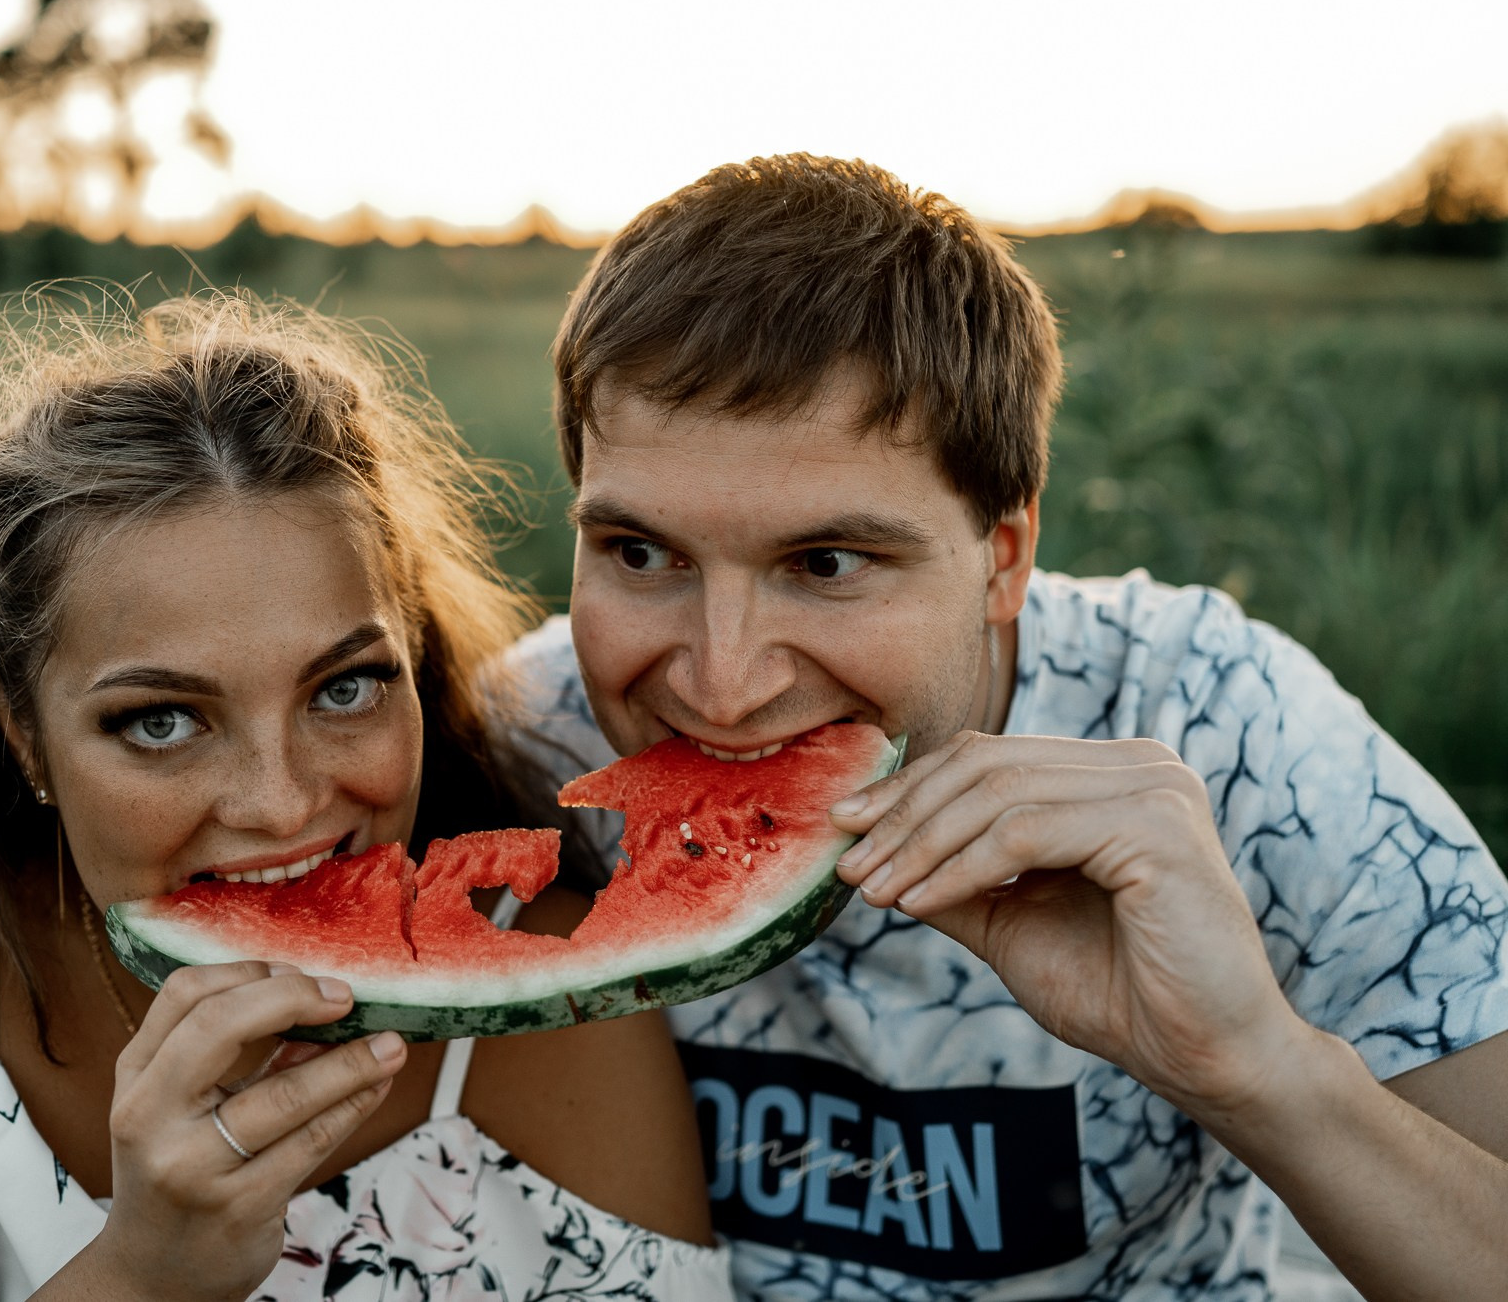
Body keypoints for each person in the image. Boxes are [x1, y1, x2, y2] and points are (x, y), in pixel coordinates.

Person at [494, 155, 1508, 1300]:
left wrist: (1253, 1070)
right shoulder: (528, 748)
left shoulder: (1217, 729)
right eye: (640, 552)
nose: (721, 684)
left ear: (1001, 559)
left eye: (825, 563)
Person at [0, 293, 734, 1301]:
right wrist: (140, 1276)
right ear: (16, 721)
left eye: (344, 687)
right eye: (161, 720)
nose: (279, 801)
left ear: (414, 653)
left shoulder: (558, 1007)